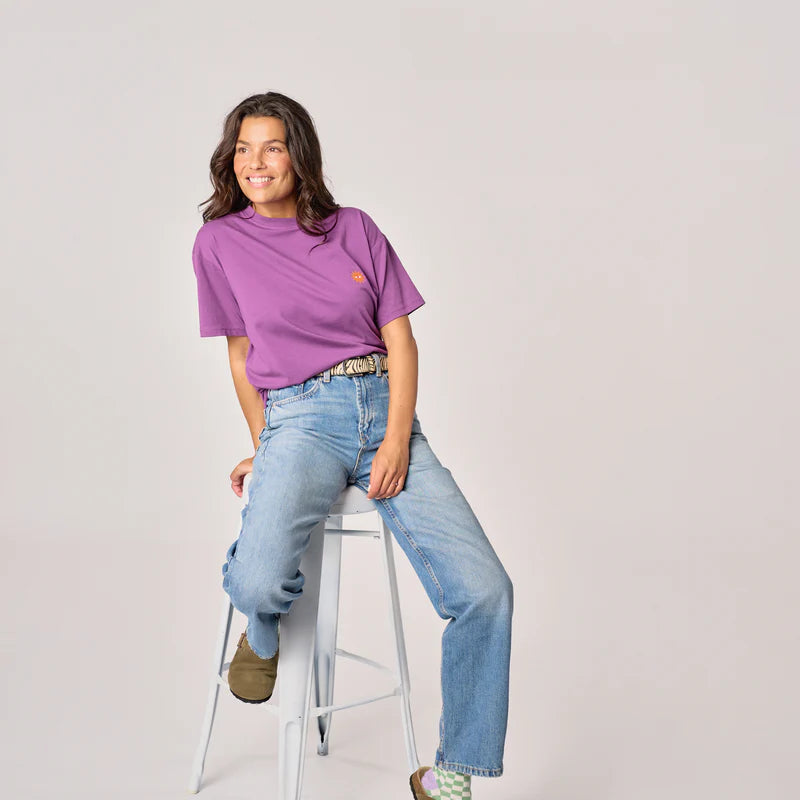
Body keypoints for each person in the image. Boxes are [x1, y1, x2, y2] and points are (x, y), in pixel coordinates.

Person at [191, 91, 513, 800]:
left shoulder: (354, 228)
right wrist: (266, 444)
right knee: (258, 581)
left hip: (384, 410)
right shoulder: (219, 243)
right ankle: (262, 633)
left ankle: (451, 773)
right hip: (300, 418)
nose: (254, 162)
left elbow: (400, 339)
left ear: (299, 156)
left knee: (486, 590)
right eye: (243, 149)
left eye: (272, 147)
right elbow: (241, 354)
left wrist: (397, 437)